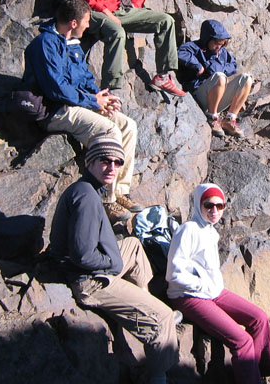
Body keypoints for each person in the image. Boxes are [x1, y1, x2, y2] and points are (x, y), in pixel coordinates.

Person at [48, 137, 179, 384]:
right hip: (89, 281)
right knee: (163, 318)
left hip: (90, 267)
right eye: (104, 160)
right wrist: (112, 265)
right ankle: (158, 375)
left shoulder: (87, 188)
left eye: (117, 162)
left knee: (133, 245)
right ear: (90, 162)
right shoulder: (86, 197)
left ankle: (143, 301)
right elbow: (82, 255)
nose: (112, 167)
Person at [23, 0, 141, 221]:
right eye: (86, 22)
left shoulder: (72, 44)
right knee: (110, 131)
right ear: (74, 23)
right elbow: (55, 89)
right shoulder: (45, 45)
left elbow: (84, 77)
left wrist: (101, 96)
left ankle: (120, 190)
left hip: (77, 103)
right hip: (55, 109)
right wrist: (93, 102)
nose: (89, 26)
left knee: (127, 125)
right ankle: (107, 200)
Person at [166, 184, 270, 384]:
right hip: (188, 296)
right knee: (242, 341)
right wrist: (203, 286)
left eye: (219, 206)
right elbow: (173, 275)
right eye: (208, 205)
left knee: (260, 318)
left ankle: (261, 370)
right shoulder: (188, 230)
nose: (214, 211)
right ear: (199, 204)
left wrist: (210, 288)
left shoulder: (210, 231)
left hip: (212, 292)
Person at [177, 20, 253, 138]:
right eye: (217, 42)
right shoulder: (193, 47)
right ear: (208, 38)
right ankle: (212, 118)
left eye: (222, 43)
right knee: (220, 77)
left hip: (217, 97)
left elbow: (233, 66)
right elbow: (180, 53)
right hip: (198, 97)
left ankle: (230, 119)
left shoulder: (222, 52)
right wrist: (198, 66)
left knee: (246, 79)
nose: (219, 46)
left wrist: (215, 68)